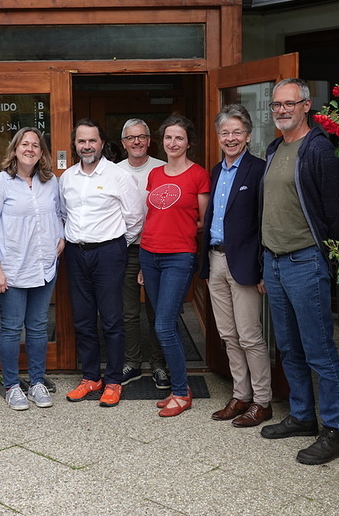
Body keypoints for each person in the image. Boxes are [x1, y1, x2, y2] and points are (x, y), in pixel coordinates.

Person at [258, 78, 339, 465]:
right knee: (289, 348)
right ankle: (302, 416)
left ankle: (334, 430)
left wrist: (323, 261)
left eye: (289, 104)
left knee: (319, 350)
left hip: (305, 261)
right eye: (276, 104)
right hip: (274, 262)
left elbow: (337, 214)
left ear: (306, 105)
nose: (281, 110)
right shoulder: (275, 147)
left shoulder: (319, 150)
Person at [59, 118, 144, 408]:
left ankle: (113, 381)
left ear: (102, 143)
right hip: (75, 252)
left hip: (109, 253)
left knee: (111, 319)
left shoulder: (117, 175)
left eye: (92, 141)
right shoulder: (67, 177)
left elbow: (134, 218)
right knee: (83, 319)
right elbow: (63, 214)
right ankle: (90, 377)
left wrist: (115, 244)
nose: (87, 146)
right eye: (81, 141)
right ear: (75, 144)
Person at [0, 127, 65, 411]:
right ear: (15, 149)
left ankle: (37, 381)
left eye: (36, 145)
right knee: (12, 328)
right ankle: (12, 385)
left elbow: (60, 213)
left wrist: (61, 237)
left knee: (39, 327)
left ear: (42, 152)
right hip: (11, 268)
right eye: (24, 144)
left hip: (43, 266)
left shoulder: (50, 182)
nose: (30, 149)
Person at [201, 104, 273, 428]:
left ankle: (263, 401)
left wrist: (262, 269)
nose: (230, 138)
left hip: (244, 265)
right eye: (225, 132)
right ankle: (240, 394)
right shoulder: (216, 171)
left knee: (250, 336)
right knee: (228, 335)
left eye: (237, 132)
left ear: (248, 135)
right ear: (218, 136)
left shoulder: (259, 170)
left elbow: (264, 223)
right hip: (215, 260)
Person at [139, 114, 210, 417]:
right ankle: (177, 388)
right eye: (168, 137)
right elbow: (151, 216)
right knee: (161, 321)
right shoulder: (155, 174)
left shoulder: (198, 175)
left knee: (165, 325)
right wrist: (144, 263)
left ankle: (181, 391)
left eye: (179, 137)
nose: (173, 142)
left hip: (178, 257)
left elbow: (203, 222)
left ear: (188, 142)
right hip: (149, 254)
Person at [117, 118, 169, 390]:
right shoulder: (114, 171)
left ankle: (159, 365)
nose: (136, 142)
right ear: (123, 143)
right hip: (125, 249)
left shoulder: (163, 169)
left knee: (157, 311)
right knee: (128, 312)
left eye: (141, 137)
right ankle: (132, 362)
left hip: (157, 249)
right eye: (131, 137)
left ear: (149, 140)